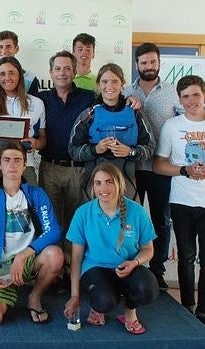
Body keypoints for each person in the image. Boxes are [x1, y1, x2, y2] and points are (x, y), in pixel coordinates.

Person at [0, 141, 63, 325]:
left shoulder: (36, 194)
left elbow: (53, 231)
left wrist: (22, 256)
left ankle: (34, 297)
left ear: (24, 164)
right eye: (7, 160)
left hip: (28, 260)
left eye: (17, 160)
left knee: (55, 255)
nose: (12, 165)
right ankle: (5, 291)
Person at [64, 162, 158, 335]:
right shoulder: (83, 213)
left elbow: (148, 249)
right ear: (93, 186)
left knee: (149, 289)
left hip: (128, 267)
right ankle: (98, 307)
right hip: (95, 268)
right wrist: (75, 296)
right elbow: (76, 258)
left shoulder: (137, 211)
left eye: (109, 182)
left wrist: (134, 262)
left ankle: (130, 310)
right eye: (98, 183)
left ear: (119, 183)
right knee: (104, 301)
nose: (103, 188)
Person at [123, 42, 182, 291]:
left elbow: (184, 125)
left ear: (159, 63)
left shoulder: (173, 92)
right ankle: (129, 268)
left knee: (161, 220)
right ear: (137, 64)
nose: (148, 66)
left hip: (161, 167)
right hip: (131, 167)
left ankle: (157, 272)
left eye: (153, 62)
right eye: (144, 62)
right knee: (129, 220)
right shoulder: (124, 90)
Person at [153, 75, 205, 323]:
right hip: (182, 201)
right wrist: (184, 170)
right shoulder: (172, 126)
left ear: (203, 95)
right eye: (186, 96)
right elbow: (158, 165)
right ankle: (187, 307)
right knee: (185, 257)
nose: (191, 101)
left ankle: (203, 310)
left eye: (196, 95)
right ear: (179, 99)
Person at [68, 63, 155, 201]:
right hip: (95, 187)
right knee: (96, 222)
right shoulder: (89, 114)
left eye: (115, 81)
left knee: (128, 221)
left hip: (126, 186)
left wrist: (130, 151)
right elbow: (73, 150)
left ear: (122, 84)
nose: (109, 86)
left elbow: (149, 147)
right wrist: (95, 149)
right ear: (98, 84)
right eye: (104, 81)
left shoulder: (135, 114)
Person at [38, 51, 94, 233]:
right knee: (50, 223)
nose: (62, 73)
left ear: (75, 72)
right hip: (49, 169)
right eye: (58, 68)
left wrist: (130, 100)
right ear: (51, 72)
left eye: (67, 68)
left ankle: (73, 262)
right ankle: (54, 261)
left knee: (76, 224)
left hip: (78, 170)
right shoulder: (41, 99)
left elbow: (112, 103)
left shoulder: (89, 97)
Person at [0, 56, 46, 186]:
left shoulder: (37, 103)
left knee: (30, 202)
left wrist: (36, 143)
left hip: (26, 164)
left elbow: (43, 139)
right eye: (2, 74)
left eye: (12, 73)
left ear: (19, 75)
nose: (7, 78)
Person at [0, 30, 40, 103]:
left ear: (16, 49)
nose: (4, 51)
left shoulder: (30, 77)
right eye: (0, 47)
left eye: (8, 46)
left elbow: (34, 106)